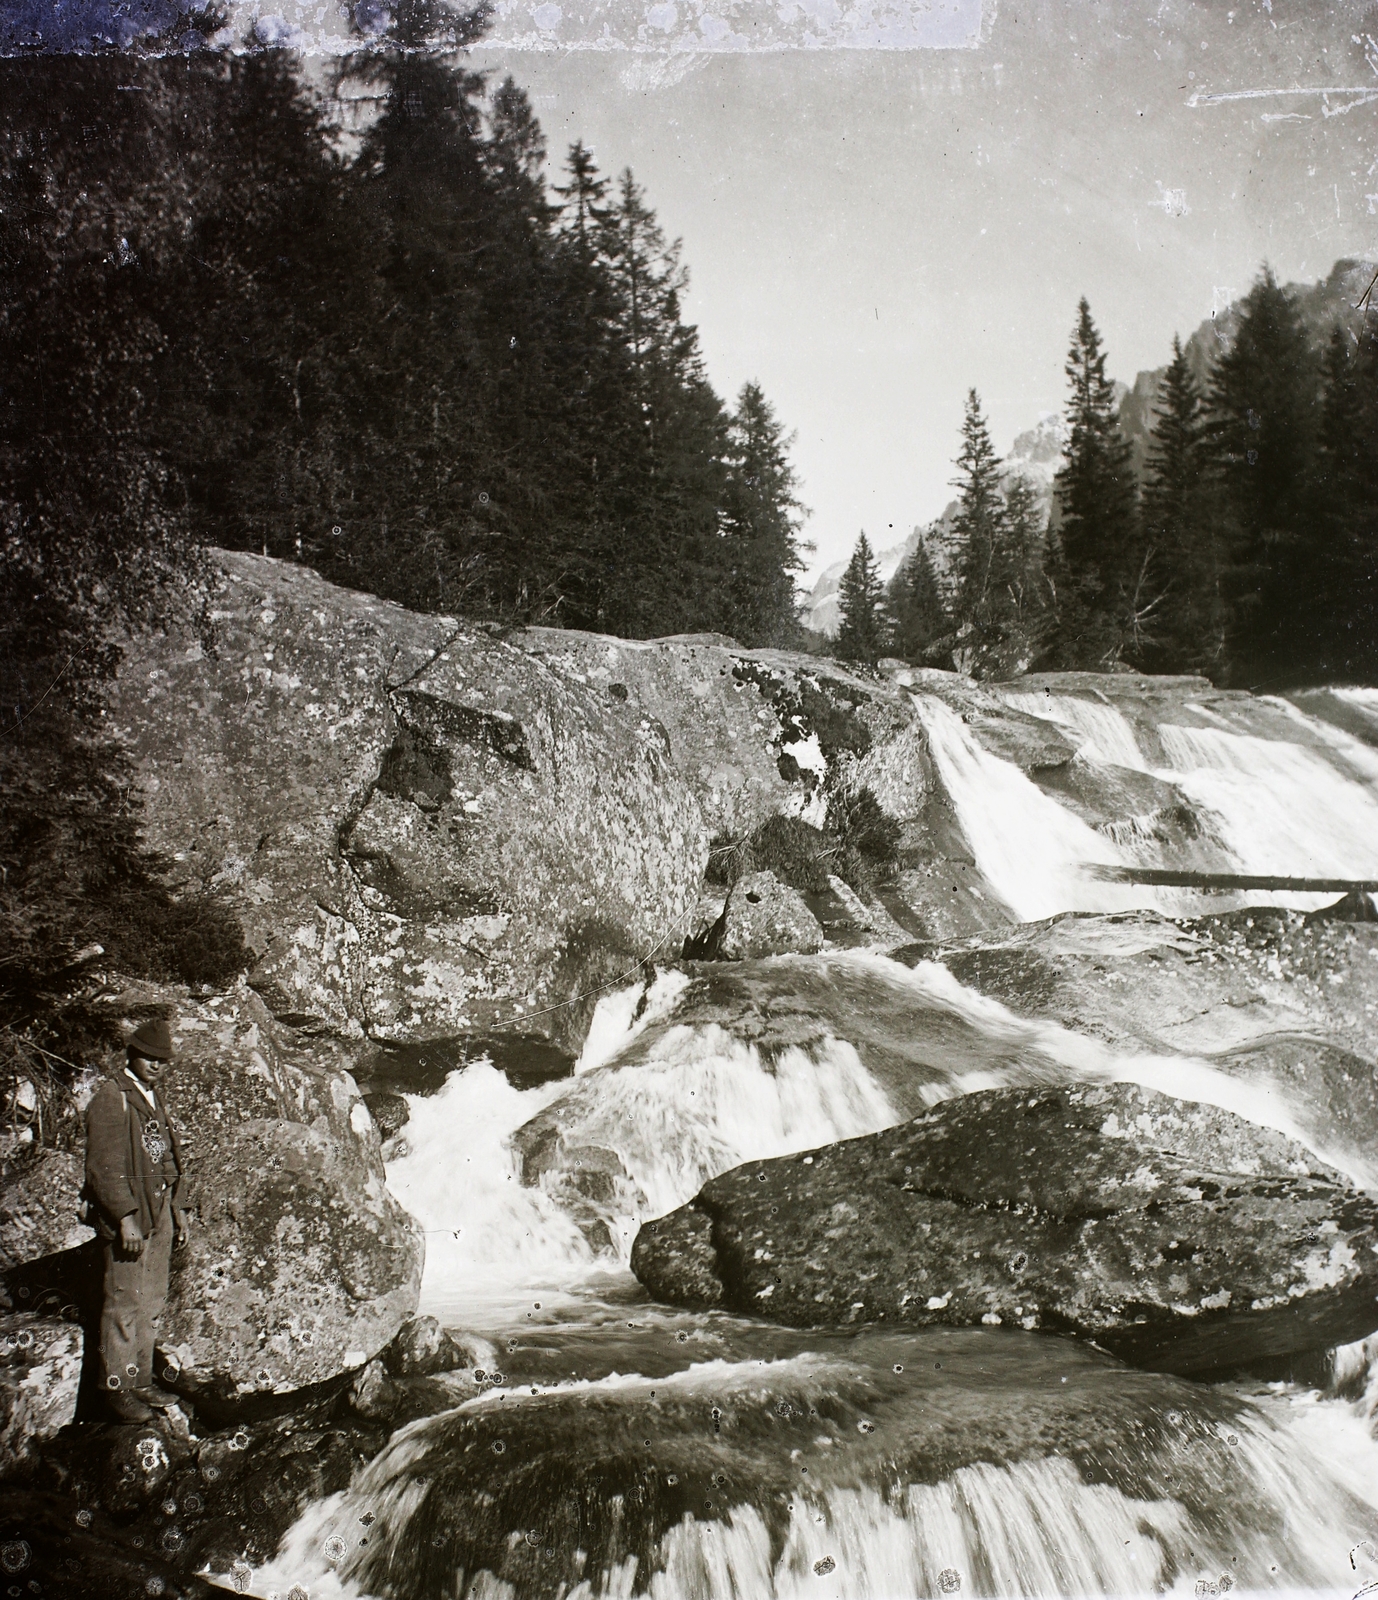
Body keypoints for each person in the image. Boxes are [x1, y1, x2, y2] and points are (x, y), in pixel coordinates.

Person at [83, 1017, 192, 1422]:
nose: (157, 1065)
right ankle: (116, 1390)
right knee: (123, 1303)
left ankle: (140, 1380)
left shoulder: (151, 1097)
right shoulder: (114, 1096)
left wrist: (177, 1212)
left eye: (163, 1059)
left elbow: (167, 1159)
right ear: (132, 1052)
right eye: (149, 1056)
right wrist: (124, 1218)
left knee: (150, 1301)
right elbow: (103, 1167)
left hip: (159, 1210)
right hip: (133, 1214)